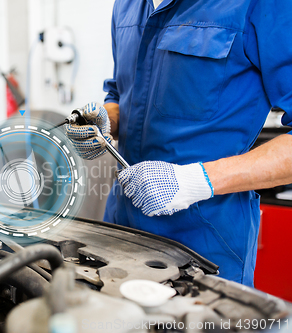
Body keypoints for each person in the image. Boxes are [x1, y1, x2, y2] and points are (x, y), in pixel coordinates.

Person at [65, 0, 292, 287]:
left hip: (205, 245)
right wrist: (104, 122)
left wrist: (193, 181)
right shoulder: (126, 6)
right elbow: (122, 94)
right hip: (119, 233)